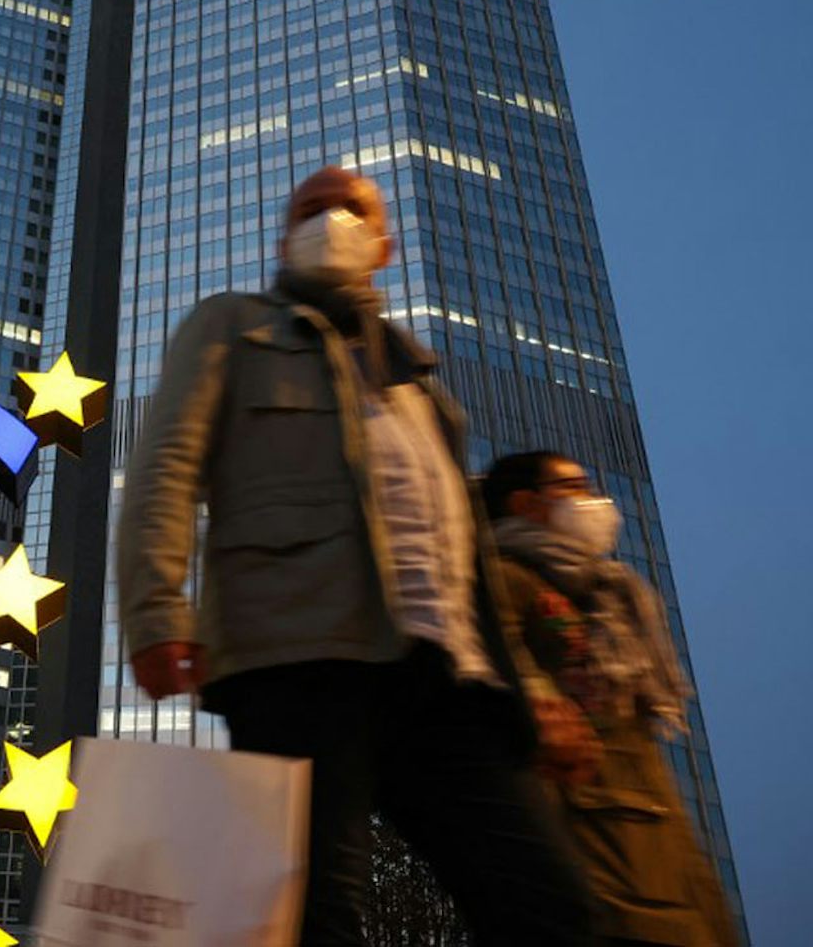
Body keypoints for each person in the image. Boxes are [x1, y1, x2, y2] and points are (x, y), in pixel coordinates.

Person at [115, 165, 596, 946]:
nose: (331, 219)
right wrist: (155, 607)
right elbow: (166, 465)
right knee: (317, 913)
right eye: (312, 209)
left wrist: (532, 686)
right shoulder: (233, 325)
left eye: (351, 209)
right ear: (282, 237)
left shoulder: (424, 385)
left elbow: (470, 565)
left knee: (548, 905)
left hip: (449, 677)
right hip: (299, 655)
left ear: (384, 245)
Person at [484, 451, 738, 946]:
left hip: (661, 852)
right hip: (594, 854)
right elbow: (508, 681)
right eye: (571, 487)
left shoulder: (610, 593)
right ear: (524, 503)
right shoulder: (507, 580)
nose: (593, 501)